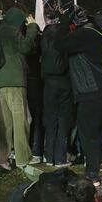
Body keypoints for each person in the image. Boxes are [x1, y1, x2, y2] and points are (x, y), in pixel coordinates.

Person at [56, 6, 102, 186]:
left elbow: (59, 45)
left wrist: (63, 23)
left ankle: (92, 175)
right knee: (98, 133)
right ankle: (101, 161)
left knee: (88, 133)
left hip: (90, 93)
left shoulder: (84, 35)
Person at [0, 7, 40, 168]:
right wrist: (32, 28)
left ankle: (2, 159)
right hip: (15, 82)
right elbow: (26, 47)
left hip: (1, 82)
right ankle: (23, 158)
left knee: (6, 124)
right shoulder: (11, 32)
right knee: (21, 121)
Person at [41, 11, 73, 167]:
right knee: (63, 119)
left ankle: (49, 157)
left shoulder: (44, 35)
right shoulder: (64, 34)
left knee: (51, 119)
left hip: (48, 81)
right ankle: (60, 157)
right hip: (63, 80)